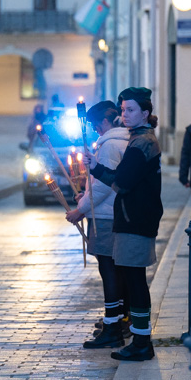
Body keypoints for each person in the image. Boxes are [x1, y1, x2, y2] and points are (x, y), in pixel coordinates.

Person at [84, 87, 163, 362]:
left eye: (130, 110)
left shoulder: (142, 143)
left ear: (144, 112)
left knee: (136, 282)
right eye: (122, 109)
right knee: (133, 279)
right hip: (134, 218)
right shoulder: (137, 139)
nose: (124, 115)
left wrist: (98, 169)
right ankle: (140, 339)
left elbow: (123, 182)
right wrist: (95, 167)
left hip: (135, 219)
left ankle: (142, 342)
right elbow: (121, 178)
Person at [66, 101, 130, 348]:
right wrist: (85, 194)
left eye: (95, 125)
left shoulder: (111, 144)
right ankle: (117, 321)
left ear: (104, 122)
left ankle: (113, 325)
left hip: (105, 215)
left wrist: (80, 210)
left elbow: (104, 185)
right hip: (110, 211)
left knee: (109, 269)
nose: (94, 130)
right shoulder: (119, 141)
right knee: (116, 268)